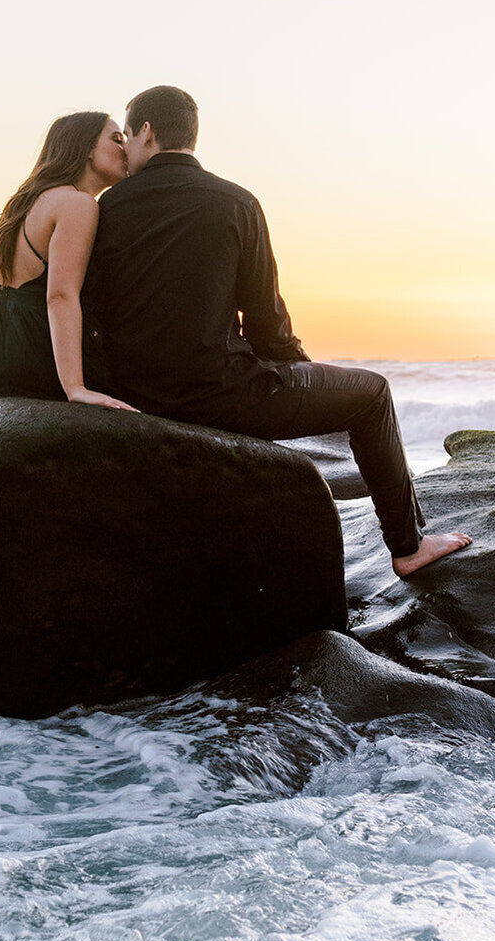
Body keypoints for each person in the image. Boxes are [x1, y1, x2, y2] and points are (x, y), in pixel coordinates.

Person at [85, 86, 471, 576]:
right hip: (220, 395)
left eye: (128, 136)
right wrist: (305, 378)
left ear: (146, 131)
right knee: (371, 394)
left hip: (133, 398)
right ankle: (408, 547)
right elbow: (266, 322)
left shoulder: (106, 209)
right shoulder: (236, 202)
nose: (125, 149)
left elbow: (88, 313)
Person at [0, 111, 137, 410]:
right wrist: (75, 387)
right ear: (87, 149)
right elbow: (60, 295)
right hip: (39, 349)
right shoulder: (78, 204)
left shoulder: (30, 201)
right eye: (116, 139)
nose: (125, 148)